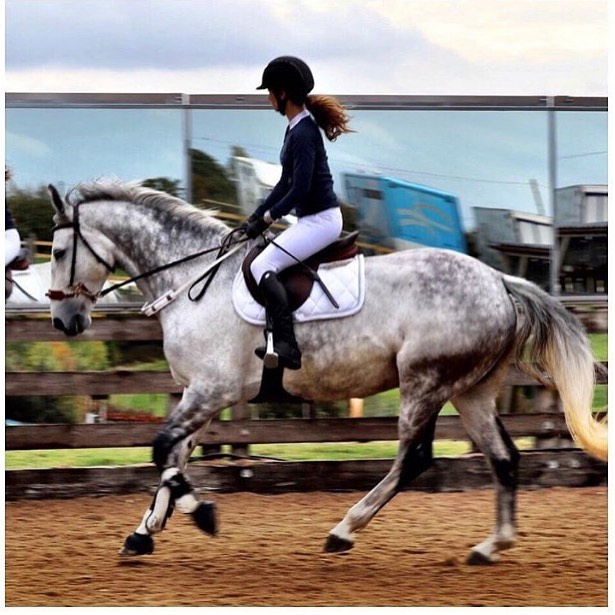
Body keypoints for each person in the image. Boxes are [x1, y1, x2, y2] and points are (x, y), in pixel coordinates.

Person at [241, 56, 353, 370]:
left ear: (284, 94)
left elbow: (300, 190)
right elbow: (284, 183)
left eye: (270, 92)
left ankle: (287, 345)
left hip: (322, 221)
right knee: (264, 259)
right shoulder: (295, 129)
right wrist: (255, 216)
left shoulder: (303, 133)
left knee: (263, 264)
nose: (268, 98)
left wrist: (268, 218)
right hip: (312, 219)